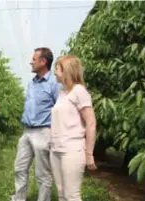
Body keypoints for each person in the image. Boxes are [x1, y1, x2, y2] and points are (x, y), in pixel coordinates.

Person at [11, 47, 61, 201]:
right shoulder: (31, 83)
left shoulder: (54, 83)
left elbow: (60, 110)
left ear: (43, 61)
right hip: (27, 131)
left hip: (43, 132)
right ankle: (18, 199)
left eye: (34, 59)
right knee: (19, 168)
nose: (30, 62)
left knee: (43, 174)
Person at [50, 55, 97, 201]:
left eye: (57, 69)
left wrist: (89, 153)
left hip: (72, 149)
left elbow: (91, 123)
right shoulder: (62, 93)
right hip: (56, 149)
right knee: (61, 193)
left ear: (67, 71)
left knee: (72, 195)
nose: (55, 72)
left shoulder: (79, 91)